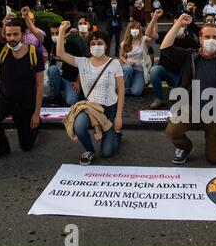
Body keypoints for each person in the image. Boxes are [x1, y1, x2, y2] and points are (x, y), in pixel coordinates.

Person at [161, 14, 216, 165]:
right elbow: (165, 48)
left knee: (215, 158)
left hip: (215, 113)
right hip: (191, 109)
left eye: (215, 37)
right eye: (208, 36)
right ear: (201, 39)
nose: (211, 40)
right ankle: (185, 147)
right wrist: (179, 23)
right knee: (172, 131)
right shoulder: (190, 56)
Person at [56, 21, 124, 166]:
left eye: (99, 43)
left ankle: (116, 136)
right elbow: (60, 53)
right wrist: (62, 31)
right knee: (78, 126)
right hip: (90, 107)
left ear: (106, 45)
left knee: (107, 153)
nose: (96, 46)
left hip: (109, 110)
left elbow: (122, 92)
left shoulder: (114, 63)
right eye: (92, 43)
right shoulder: (82, 62)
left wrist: (118, 117)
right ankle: (89, 150)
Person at [0, 19, 44, 157]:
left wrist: (36, 113)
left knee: (26, 146)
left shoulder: (34, 53)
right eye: (9, 35)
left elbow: (40, 84)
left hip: (25, 104)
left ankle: (37, 124)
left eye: (16, 34)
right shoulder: (2, 50)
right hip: (6, 100)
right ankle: (3, 147)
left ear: (23, 34)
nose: (12, 38)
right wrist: (4, 21)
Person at [145, 9, 199, 109]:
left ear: (186, 26)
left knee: (178, 98)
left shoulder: (190, 41)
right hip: (164, 71)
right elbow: (148, 34)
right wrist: (155, 18)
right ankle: (159, 98)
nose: (180, 27)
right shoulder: (167, 36)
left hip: (180, 76)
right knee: (154, 70)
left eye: (182, 25)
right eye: (177, 25)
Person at [47, 22, 83, 106]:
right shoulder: (52, 45)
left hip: (69, 79)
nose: (55, 36)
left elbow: (82, 65)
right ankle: (57, 95)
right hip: (57, 76)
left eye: (57, 33)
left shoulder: (73, 45)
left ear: (64, 33)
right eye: (52, 33)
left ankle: (76, 93)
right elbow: (36, 33)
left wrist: (78, 82)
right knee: (52, 69)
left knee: (71, 101)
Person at [119, 21, 151, 96]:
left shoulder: (143, 39)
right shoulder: (125, 43)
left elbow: (151, 34)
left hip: (139, 69)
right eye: (132, 28)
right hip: (128, 67)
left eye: (137, 28)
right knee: (128, 69)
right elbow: (121, 56)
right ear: (129, 30)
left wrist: (154, 20)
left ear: (140, 30)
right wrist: (127, 62)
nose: (135, 30)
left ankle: (131, 85)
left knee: (137, 92)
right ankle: (125, 89)